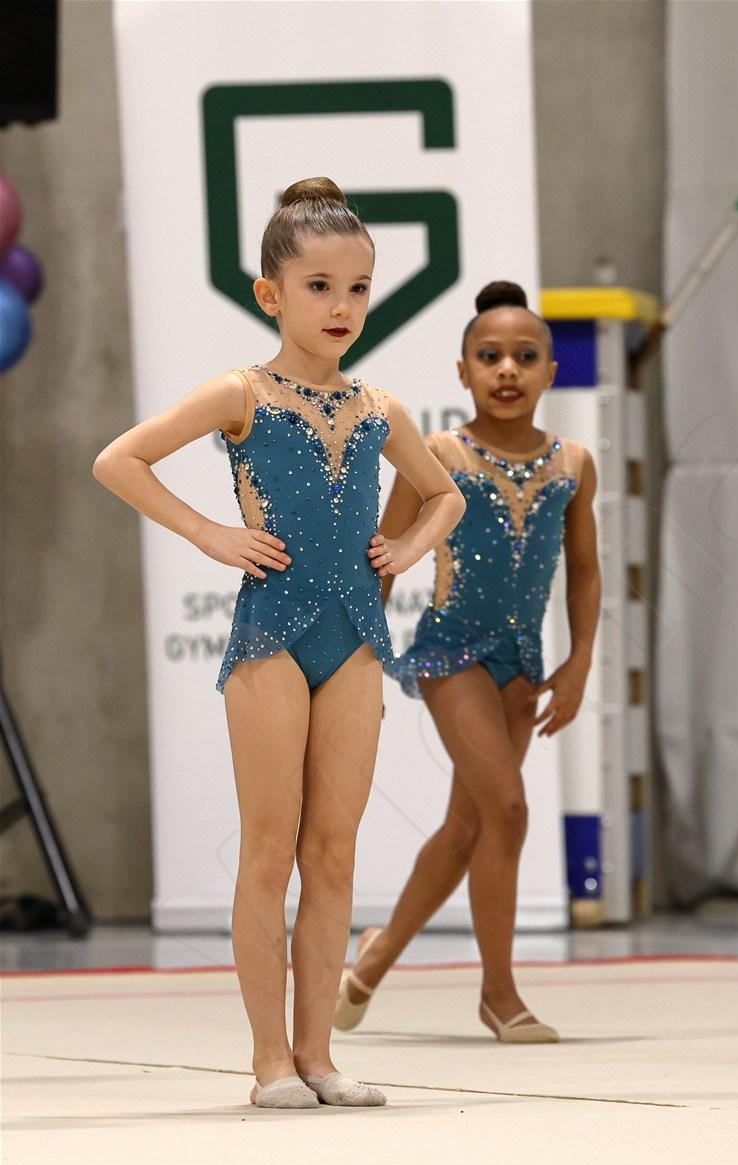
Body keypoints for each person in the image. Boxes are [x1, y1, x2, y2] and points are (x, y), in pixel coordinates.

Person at [93, 177, 464, 1107]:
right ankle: (269, 1061)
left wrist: (406, 547)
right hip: (271, 639)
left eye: (358, 288)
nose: (342, 306)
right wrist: (210, 535)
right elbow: (118, 460)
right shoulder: (241, 393)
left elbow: (446, 495)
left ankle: (319, 1056)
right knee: (269, 850)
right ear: (271, 294)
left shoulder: (378, 407)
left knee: (332, 854)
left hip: (357, 642)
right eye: (319, 287)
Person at [334, 281, 600, 1043]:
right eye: (490, 356)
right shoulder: (439, 455)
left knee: (465, 827)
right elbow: (383, 559)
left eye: (525, 356)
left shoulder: (574, 463)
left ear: (550, 371)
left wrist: (579, 662)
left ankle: (374, 958)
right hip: (450, 654)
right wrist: (359, 662)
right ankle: (498, 994)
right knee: (507, 810)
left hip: (521, 661)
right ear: (463, 371)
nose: (507, 369)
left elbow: (585, 569)